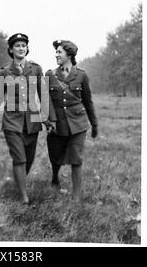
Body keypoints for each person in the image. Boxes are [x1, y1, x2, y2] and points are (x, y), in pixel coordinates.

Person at [0, 33, 57, 204]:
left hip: (32, 121)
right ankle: (24, 197)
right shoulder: (4, 72)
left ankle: (18, 180)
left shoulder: (35, 69)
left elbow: (43, 95)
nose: (21, 48)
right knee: (20, 158)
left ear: (27, 49)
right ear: (11, 49)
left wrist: (49, 118)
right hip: (12, 122)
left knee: (29, 160)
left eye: (23, 45)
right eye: (17, 46)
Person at [45, 40, 98, 202]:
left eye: (59, 52)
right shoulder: (50, 75)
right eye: (56, 52)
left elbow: (88, 101)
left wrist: (94, 124)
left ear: (69, 55)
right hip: (57, 124)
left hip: (78, 123)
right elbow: (45, 100)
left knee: (77, 158)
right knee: (55, 155)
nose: (56, 55)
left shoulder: (81, 75)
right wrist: (49, 120)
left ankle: (76, 196)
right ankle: (55, 177)